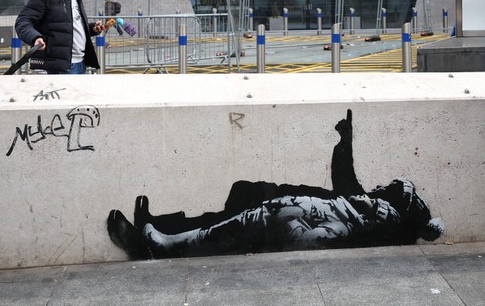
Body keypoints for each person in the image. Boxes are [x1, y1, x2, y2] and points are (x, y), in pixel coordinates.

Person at [107, 110, 444, 259]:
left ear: (401, 200)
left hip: (292, 218)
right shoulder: (377, 211)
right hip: (292, 211)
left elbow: (347, 187)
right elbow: (348, 188)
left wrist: (345, 145)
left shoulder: (382, 212)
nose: (384, 186)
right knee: (228, 214)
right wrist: (344, 143)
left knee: (224, 225)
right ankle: (157, 229)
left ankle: (152, 242)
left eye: (391, 187)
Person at [15, 0, 104, 74]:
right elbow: (22, 22)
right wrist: (35, 38)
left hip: (80, 63)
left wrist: (92, 28)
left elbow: (67, 25)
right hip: (61, 66)